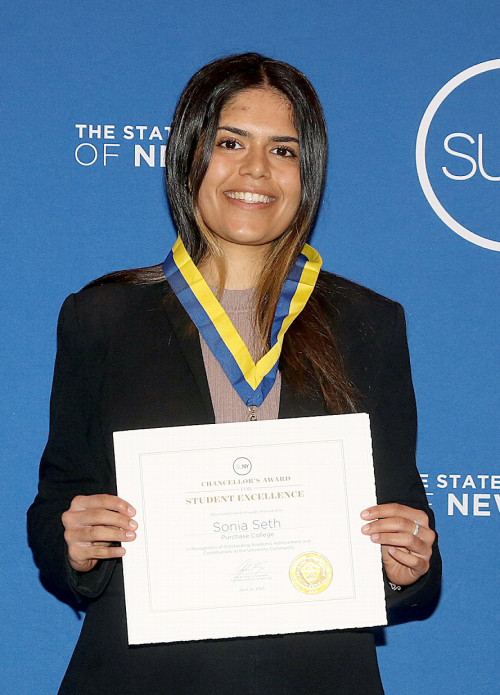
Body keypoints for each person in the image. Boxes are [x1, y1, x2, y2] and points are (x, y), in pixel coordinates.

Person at [28, 53, 441, 694]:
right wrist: (74, 541)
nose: (255, 170)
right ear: (190, 154)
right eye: (229, 143)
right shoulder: (104, 315)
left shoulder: (370, 323)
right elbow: (59, 499)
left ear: (309, 174)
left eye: (284, 151)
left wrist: (408, 561)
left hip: (317, 675)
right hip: (141, 675)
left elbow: (404, 512)